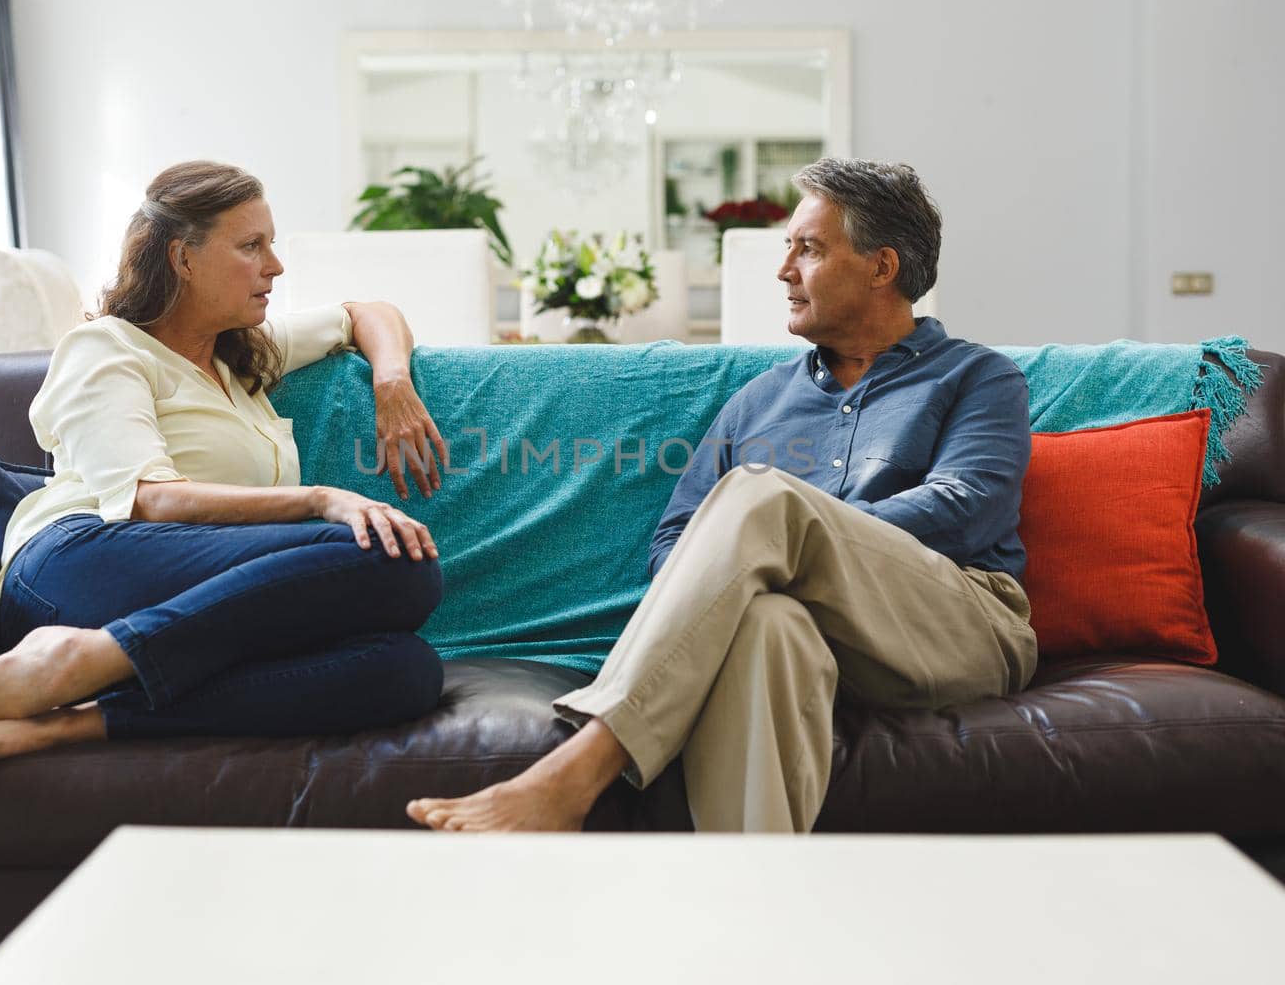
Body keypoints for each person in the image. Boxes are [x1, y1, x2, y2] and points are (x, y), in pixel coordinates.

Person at [407, 157, 1037, 833]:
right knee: (770, 624)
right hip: (817, 635)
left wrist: (794, 534)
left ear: (882, 267)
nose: (784, 268)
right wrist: (768, 561)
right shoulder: (759, 402)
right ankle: (746, 902)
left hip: (956, 624)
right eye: (786, 247)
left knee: (765, 501)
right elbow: (673, 546)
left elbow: (961, 510)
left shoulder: (978, 378)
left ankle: (578, 767)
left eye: (810, 248)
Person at [0, 160, 451, 776]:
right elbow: (150, 499)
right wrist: (323, 498)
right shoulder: (106, 348)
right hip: (79, 562)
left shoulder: (242, 359)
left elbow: (367, 311)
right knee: (400, 562)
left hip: (195, 593)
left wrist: (392, 382)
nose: (275, 265)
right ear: (182, 260)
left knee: (405, 672)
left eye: (270, 244)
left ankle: (60, 724)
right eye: (251, 246)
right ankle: (86, 656)